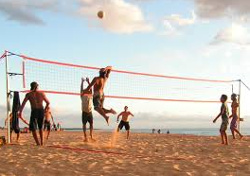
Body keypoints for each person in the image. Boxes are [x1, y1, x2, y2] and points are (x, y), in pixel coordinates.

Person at [19, 82, 50, 146]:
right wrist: (45, 110)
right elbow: (48, 102)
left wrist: (20, 112)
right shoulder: (42, 93)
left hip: (34, 111)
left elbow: (23, 104)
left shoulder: (29, 94)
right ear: (37, 87)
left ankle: (38, 143)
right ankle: (41, 143)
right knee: (40, 127)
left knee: (33, 128)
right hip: (41, 110)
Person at [81, 77, 95, 142]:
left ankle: (91, 136)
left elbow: (91, 88)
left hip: (90, 112)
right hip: (84, 112)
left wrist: (88, 81)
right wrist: (82, 82)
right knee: (84, 124)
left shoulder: (90, 95)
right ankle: (85, 137)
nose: (88, 90)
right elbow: (81, 89)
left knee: (91, 124)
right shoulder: (82, 95)